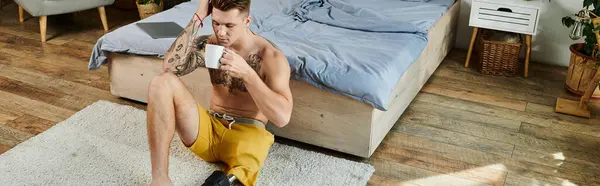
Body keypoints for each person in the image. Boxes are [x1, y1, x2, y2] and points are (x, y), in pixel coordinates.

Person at [145, 0, 293, 185]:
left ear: (247, 21)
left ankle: (229, 180)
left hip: (246, 133)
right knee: (161, 82)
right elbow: (169, 67)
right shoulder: (210, 44)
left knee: (255, 151)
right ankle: (160, 179)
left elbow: (282, 118)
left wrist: (248, 74)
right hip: (209, 127)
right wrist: (198, 16)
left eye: (229, 25)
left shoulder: (270, 56)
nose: (221, 32)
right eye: (216, 23)